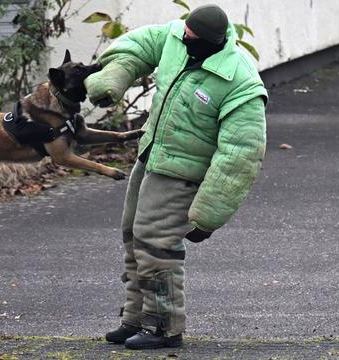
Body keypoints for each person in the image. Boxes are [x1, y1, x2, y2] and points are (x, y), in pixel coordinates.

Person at [84, 4, 268, 350]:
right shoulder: (176, 38)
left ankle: (164, 326)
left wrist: (209, 214)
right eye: (184, 33)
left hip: (184, 175)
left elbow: (241, 155)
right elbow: (136, 47)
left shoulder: (239, 80)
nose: (184, 40)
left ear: (213, 42)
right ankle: (135, 318)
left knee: (157, 244)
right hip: (151, 157)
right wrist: (113, 77)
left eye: (192, 39)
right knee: (132, 237)